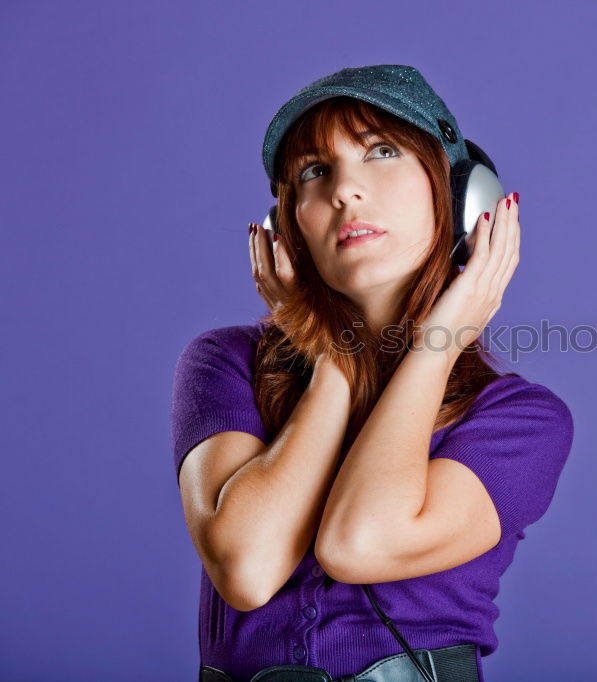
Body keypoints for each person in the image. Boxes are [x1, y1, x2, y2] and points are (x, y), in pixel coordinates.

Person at [170, 65, 574, 682]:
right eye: (314, 171)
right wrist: (334, 353)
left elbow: (359, 543)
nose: (344, 191)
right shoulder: (224, 364)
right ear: (289, 227)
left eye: (382, 152)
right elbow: (245, 570)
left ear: (466, 198)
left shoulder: (521, 420)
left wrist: (437, 344)